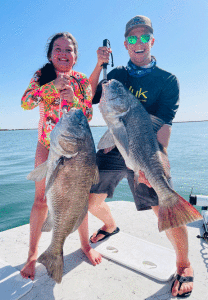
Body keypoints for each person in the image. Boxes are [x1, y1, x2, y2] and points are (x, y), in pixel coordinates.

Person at [88, 16, 194, 298]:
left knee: (165, 206)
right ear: (125, 44)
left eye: (143, 37)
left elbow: (163, 127)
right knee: (91, 201)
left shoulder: (168, 81)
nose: (138, 43)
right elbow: (90, 97)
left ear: (152, 41)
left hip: (146, 152)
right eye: (132, 38)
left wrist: (154, 166)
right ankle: (110, 226)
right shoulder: (117, 75)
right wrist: (99, 65)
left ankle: (184, 265)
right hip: (114, 146)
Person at [20, 32, 104, 280]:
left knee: (79, 198)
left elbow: (87, 114)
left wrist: (75, 100)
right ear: (50, 54)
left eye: (69, 50)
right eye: (58, 49)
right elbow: (25, 103)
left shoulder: (79, 80)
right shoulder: (41, 76)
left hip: (77, 150)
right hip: (47, 145)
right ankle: (33, 255)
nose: (63, 54)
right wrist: (50, 87)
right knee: (41, 201)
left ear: (76, 57)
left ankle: (85, 246)